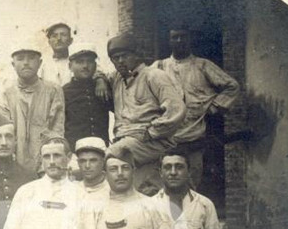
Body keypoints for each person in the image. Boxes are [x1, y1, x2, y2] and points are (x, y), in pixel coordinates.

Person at [153, 27, 240, 189]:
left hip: (194, 137)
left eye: (183, 37)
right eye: (175, 37)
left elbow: (232, 86)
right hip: (166, 139)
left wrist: (216, 106)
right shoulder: (159, 67)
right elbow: (143, 89)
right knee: (165, 186)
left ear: (190, 39)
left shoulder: (203, 65)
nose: (179, 41)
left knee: (191, 185)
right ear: (169, 40)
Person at [105, 33, 186, 195]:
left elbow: (177, 110)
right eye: (115, 58)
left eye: (125, 56)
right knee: (138, 189)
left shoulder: (154, 76)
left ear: (136, 55)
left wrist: (151, 132)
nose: (120, 61)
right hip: (128, 140)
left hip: (153, 140)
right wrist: (100, 80)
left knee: (110, 157)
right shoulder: (116, 79)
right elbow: (98, 74)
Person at [0, 38, 65, 174]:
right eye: (20, 59)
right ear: (13, 64)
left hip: (46, 165)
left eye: (31, 58)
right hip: (13, 167)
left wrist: (46, 165)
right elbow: (0, 131)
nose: (26, 63)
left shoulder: (53, 91)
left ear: (40, 63)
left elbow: (57, 131)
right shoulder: (6, 94)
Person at [63, 43, 112, 150]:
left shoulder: (103, 87)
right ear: (70, 66)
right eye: (80, 62)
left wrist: (101, 79)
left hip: (101, 147)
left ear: (95, 65)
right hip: (75, 150)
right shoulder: (64, 91)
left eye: (89, 61)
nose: (85, 66)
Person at [39, 22, 74, 87]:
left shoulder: (78, 62)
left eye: (63, 35)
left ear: (70, 40)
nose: (58, 39)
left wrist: (99, 79)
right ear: (49, 42)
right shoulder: (42, 64)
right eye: (54, 36)